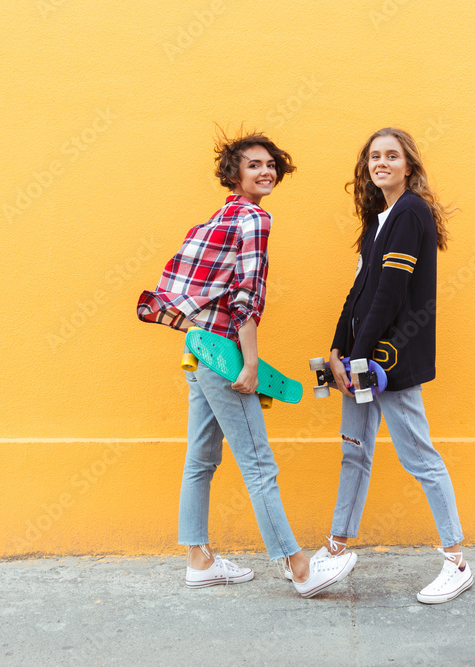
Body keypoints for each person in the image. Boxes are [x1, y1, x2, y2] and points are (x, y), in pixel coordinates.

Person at [137, 129, 356, 597]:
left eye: (270, 164)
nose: (265, 171)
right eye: (254, 165)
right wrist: (250, 366)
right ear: (234, 173)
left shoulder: (215, 218)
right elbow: (246, 298)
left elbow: (194, 288)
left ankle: (198, 559)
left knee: (200, 459)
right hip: (225, 357)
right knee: (259, 466)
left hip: (198, 352)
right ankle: (300, 569)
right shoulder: (255, 218)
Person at [322, 127, 472, 604]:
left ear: (409, 165)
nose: (381, 162)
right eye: (374, 156)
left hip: (390, 361)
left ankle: (457, 562)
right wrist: (336, 351)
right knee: (354, 452)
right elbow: (359, 291)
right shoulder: (380, 219)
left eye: (392, 156)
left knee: (420, 458)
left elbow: (389, 293)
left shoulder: (410, 213)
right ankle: (336, 547)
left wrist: (360, 353)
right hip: (358, 361)